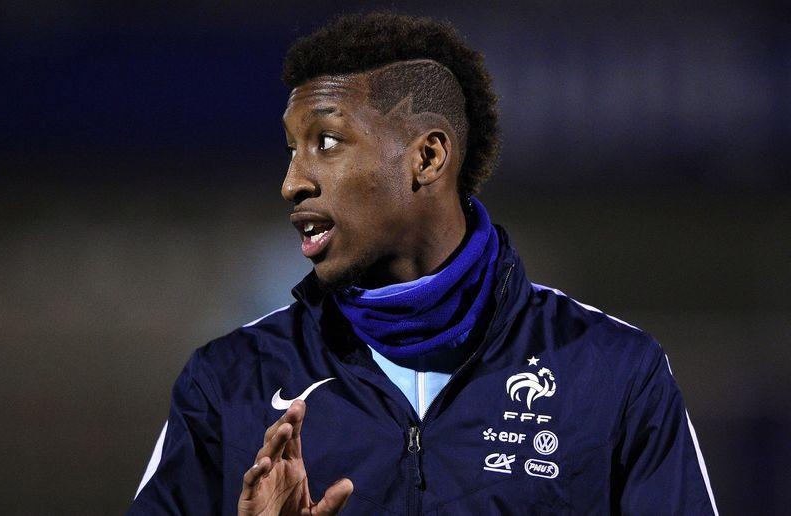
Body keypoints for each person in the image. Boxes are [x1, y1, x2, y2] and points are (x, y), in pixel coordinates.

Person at [128, 11, 718, 515]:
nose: (291, 183)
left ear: (428, 157)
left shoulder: (613, 373)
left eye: (326, 143)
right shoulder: (228, 382)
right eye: (292, 149)